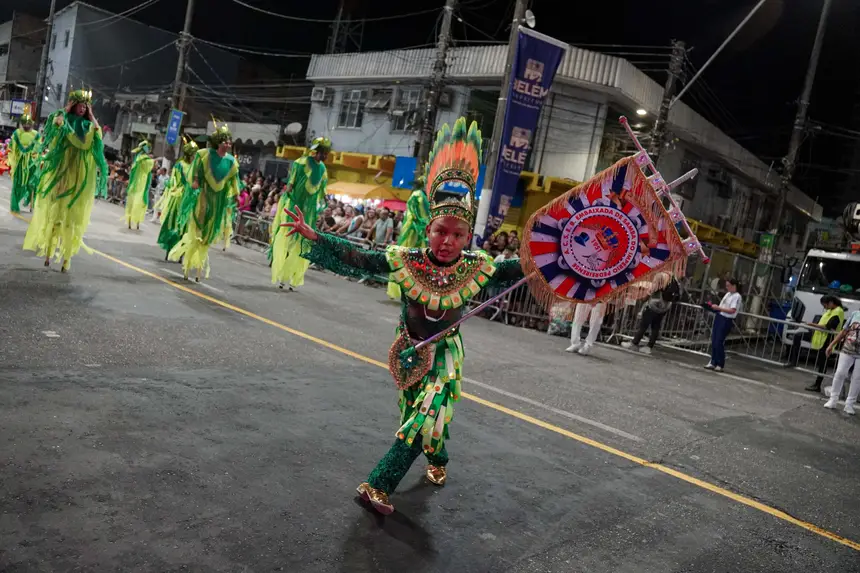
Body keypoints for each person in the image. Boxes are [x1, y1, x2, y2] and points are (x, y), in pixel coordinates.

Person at [281, 118, 525, 515]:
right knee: (421, 416)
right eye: (441, 232)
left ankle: (378, 485)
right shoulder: (405, 261)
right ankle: (439, 459)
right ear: (428, 230)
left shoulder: (478, 266)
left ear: (468, 238)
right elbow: (363, 257)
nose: (448, 242)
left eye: (458, 235)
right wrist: (316, 236)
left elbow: (516, 268)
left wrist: (557, 254)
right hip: (409, 351)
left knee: (426, 414)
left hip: (445, 356)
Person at [23, 89, 108, 272]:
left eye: (85, 106)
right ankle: (48, 252)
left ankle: (66, 259)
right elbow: (55, 122)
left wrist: (92, 115)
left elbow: (97, 135)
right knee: (55, 216)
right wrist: (65, 109)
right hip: (61, 174)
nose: (83, 108)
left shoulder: (87, 126)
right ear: (74, 105)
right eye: (80, 104)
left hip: (77, 178)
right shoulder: (64, 120)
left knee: (71, 221)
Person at [168, 120, 240, 281]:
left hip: (219, 200)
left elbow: (234, 179)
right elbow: (197, 169)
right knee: (198, 224)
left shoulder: (231, 162)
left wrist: (236, 193)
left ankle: (199, 265)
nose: (228, 143)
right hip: (204, 195)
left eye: (229, 140)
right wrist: (195, 180)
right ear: (218, 142)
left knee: (208, 233)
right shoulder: (204, 154)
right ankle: (188, 264)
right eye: (224, 140)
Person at [270, 136, 330, 290]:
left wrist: (326, 200)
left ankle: (293, 276)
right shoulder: (300, 163)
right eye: (322, 152)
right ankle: (282, 274)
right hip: (294, 206)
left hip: (308, 212)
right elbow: (291, 183)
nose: (324, 155)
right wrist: (287, 192)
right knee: (288, 239)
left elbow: (323, 189)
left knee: (302, 244)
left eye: (326, 153)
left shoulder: (323, 169)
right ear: (315, 151)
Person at [783, 295, 844, 392]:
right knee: (798, 336)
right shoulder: (831, 310)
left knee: (822, 363)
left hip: (827, 340)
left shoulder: (838, 312)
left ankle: (817, 384)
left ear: (831, 302)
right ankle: (793, 361)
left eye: (825, 305)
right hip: (819, 337)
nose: (825, 308)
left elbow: (828, 327)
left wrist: (812, 324)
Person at [156, 137, 197, 259]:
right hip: (178, 199)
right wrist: (175, 189)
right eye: (194, 154)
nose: (195, 156)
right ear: (189, 154)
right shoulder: (180, 165)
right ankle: (169, 249)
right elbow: (173, 181)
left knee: (186, 227)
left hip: (190, 200)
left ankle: (181, 253)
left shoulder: (196, 166)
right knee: (173, 224)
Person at [622, 278, 681, 355]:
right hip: (664, 307)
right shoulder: (672, 278)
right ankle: (649, 347)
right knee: (655, 327)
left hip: (653, 305)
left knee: (643, 326)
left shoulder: (660, 276)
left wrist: (644, 299)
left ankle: (634, 343)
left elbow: (650, 292)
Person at [823, 309, 860, 415]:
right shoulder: (855, 314)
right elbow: (844, 331)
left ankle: (849, 404)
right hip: (847, 350)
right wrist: (832, 344)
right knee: (840, 373)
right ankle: (833, 399)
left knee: (857, 378)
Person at [704, 278, 742, 372]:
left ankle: (720, 363)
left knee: (719, 341)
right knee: (714, 340)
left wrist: (719, 308)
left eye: (728, 285)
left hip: (726, 319)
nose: (727, 287)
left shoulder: (736, 296)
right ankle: (713, 361)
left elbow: (732, 310)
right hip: (720, 316)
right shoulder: (728, 294)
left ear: (734, 286)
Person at [8, 113, 40, 213]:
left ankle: (30, 201)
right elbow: (11, 146)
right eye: (24, 123)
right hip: (20, 163)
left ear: (32, 124)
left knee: (32, 183)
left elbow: (38, 146)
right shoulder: (17, 133)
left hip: (31, 163)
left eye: (28, 123)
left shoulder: (36, 134)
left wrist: (34, 153)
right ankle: (14, 204)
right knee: (18, 183)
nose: (26, 125)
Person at [123, 138, 155, 230]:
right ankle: (136, 223)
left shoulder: (137, 159)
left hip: (135, 182)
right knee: (139, 201)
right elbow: (149, 170)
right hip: (142, 182)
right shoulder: (147, 160)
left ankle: (130, 222)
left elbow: (132, 172)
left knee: (132, 201)